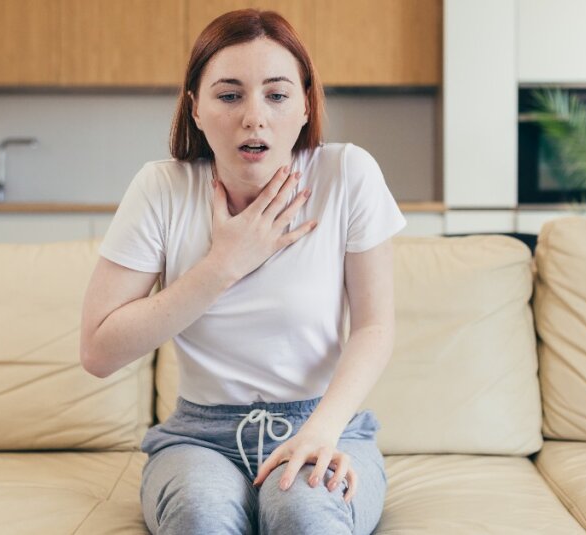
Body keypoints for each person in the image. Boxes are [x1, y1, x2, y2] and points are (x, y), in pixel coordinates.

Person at [79, 8, 406, 535]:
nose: (254, 117)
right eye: (229, 95)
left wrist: (322, 431)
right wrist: (222, 265)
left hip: (323, 425)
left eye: (276, 95)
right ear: (197, 109)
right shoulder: (161, 189)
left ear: (305, 105)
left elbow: (375, 327)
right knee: (199, 516)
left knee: (305, 516)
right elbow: (98, 351)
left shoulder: (347, 174)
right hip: (199, 437)